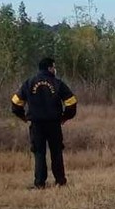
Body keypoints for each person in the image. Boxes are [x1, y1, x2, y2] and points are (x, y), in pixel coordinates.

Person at [11, 57, 77, 189]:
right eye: (54, 67)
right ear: (49, 68)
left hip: (36, 125)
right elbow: (71, 102)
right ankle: (60, 181)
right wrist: (65, 117)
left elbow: (15, 102)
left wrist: (22, 116)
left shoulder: (29, 83)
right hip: (54, 124)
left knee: (39, 153)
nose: (55, 69)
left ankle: (40, 183)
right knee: (56, 152)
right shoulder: (57, 83)